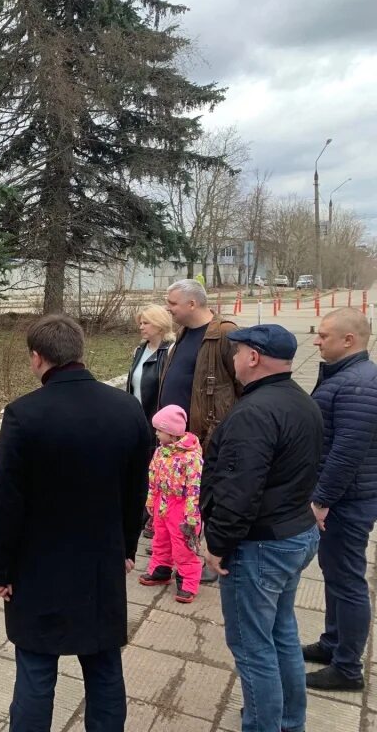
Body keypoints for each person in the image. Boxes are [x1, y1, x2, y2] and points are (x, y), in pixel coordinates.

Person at [0, 314, 153, 732]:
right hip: (100, 565)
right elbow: (137, 491)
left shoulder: (24, 415)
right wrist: (127, 548)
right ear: (80, 352)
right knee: (104, 667)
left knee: (37, 672)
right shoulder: (127, 409)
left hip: (37, 569)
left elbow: (6, 501)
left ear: (37, 358)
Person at [201, 324, 323, 732]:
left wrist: (217, 544)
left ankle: (263, 724)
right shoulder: (300, 400)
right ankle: (290, 721)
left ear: (253, 357)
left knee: (253, 649)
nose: (233, 360)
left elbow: (239, 489)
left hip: (262, 546)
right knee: (282, 633)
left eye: (236, 353)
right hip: (295, 535)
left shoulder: (254, 412)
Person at [301, 308, 377, 691]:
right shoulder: (346, 376)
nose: (316, 341)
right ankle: (333, 643)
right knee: (335, 574)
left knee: (347, 580)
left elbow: (347, 450)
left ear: (349, 341)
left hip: (347, 502)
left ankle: (348, 668)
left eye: (325, 336)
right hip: (346, 497)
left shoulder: (359, 384)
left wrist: (321, 499)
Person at [160, 278, 241, 583]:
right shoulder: (184, 333)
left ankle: (208, 560)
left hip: (207, 437)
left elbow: (242, 384)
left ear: (192, 304)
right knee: (184, 501)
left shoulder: (225, 334)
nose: (169, 310)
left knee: (206, 499)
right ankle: (184, 557)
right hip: (178, 440)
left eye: (173, 304)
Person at [138, 405, 203, 604]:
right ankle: (161, 569)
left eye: (159, 430)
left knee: (182, 544)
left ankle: (188, 581)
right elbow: (152, 476)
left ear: (172, 433)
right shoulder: (160, 452)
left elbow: (194, 487)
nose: (156, 433)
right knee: (161, 537)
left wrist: (191, 516)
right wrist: (151, 499)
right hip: (162, 502)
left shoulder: (191, 457)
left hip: (182, 506)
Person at [125, 304, 175, 422]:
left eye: (146, 323)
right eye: (141, 323)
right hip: (137, 418)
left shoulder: (171, 350)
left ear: (160, 325)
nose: (141, 327)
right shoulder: (138, 351)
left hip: (160, 422)